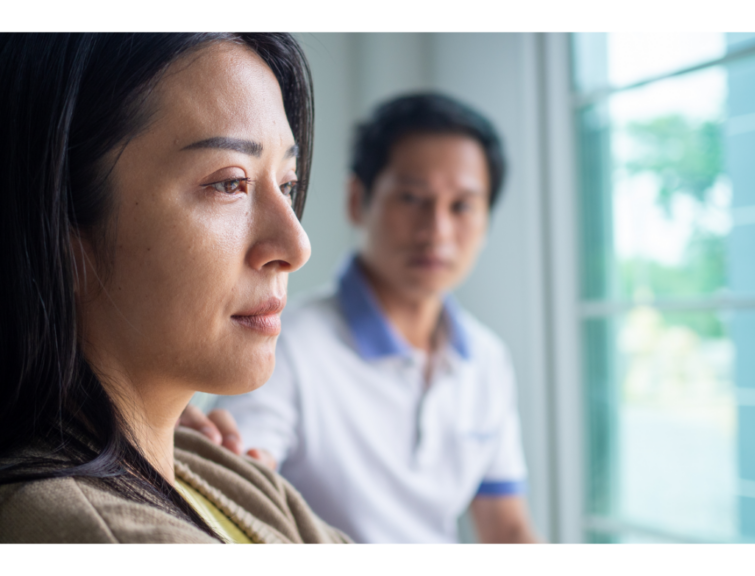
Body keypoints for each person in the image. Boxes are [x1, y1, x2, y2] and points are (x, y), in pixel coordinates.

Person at [0, 33, 349, 544]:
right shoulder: (97, 535)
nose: (295, 246)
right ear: (58, 230)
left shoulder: (216, 469)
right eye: (230, 183)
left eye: (288, 184)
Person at [211, 93, 541, 543]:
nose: (437, 230)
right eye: (411, 198)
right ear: (356, 199)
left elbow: (507, 528)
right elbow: (232, 487)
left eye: (462, 206)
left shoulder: (486, 359)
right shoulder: (284, 342)